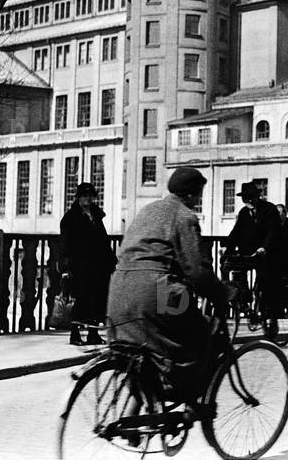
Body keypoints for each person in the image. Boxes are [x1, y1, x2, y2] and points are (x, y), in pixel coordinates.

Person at [106, 167, 231, 400]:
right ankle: (190, 400)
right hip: (159, 290)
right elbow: (197, 271)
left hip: (119, 290)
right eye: (200, 194)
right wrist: (221, 293)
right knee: (203, 332)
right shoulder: (185, 216)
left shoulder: (148, 211)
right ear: (192, 195)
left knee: (140, 351)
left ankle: (142, 413)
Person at [59, 182, 116, 346]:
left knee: (97, 300)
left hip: (98, 266)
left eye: (90, 196)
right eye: (84, 196)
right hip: (80, 266)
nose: (88, 199)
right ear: (78, 198)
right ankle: (75, 334)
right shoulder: (70, 218)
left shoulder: (96, 216)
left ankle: (93, 333)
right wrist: (66, 267)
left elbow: (104, 241)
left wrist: (111, 261)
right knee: (80, 299)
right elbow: (65, 244)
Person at [224, 182, 282, 339]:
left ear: (257, 197)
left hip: (266, 254)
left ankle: (269, 317)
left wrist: (265, 248)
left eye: (250, 198)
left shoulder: (269, 210)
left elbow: (273, 231)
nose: (248, 202)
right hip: (248, 253)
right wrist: (227, 248)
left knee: (265, 283)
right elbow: (236, 233)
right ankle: (246, 305)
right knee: (238, 275)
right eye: (245, 199)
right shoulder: (244, 213)